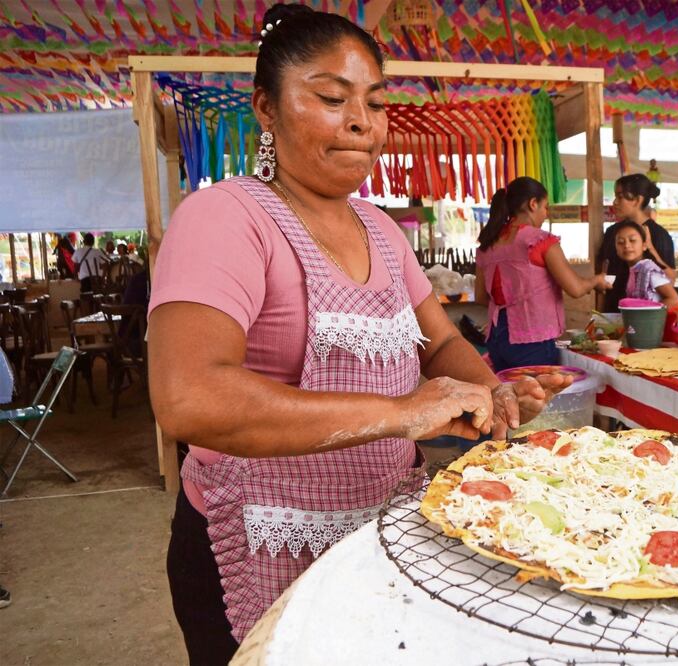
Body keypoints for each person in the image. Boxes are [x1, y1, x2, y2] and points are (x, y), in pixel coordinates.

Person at [147, 6, 569, 663]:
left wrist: (493, 392)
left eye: (375, 103)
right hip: (261, 540)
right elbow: (190, 398)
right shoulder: (226, 217)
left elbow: (440, 344)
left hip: (380, 532)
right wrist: (402, 413)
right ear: (265, 107)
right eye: (329, 98)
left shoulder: (379, 230)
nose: (360, 123)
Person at [474, 177, 609, 372]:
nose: (546, 214)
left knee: (510, 399)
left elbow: (480, 297)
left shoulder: (488, 244)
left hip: (498, 339)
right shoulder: (539, 240)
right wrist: (597, 280)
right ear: (532, 204)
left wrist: (512, 308)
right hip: (532, 340)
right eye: (545, 207)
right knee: (539, 399)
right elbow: (576, 288)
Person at [597, 173, 676, 312]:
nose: (615, 202)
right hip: (612, 313)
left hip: (642, 318)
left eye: (620, 197)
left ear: (637, 200)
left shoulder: (658, 235)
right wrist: (599, 315)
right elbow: (603, 272)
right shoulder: (611, 232)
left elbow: (670, 279)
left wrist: (650, 248)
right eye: (621, 242)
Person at [615, 221, 678, 308]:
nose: (626, 245)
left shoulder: (649, 270)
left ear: (644, 245)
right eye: (620, 242)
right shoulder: (631, 270)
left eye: (632, 240)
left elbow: (674, 299)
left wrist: (649, 316)